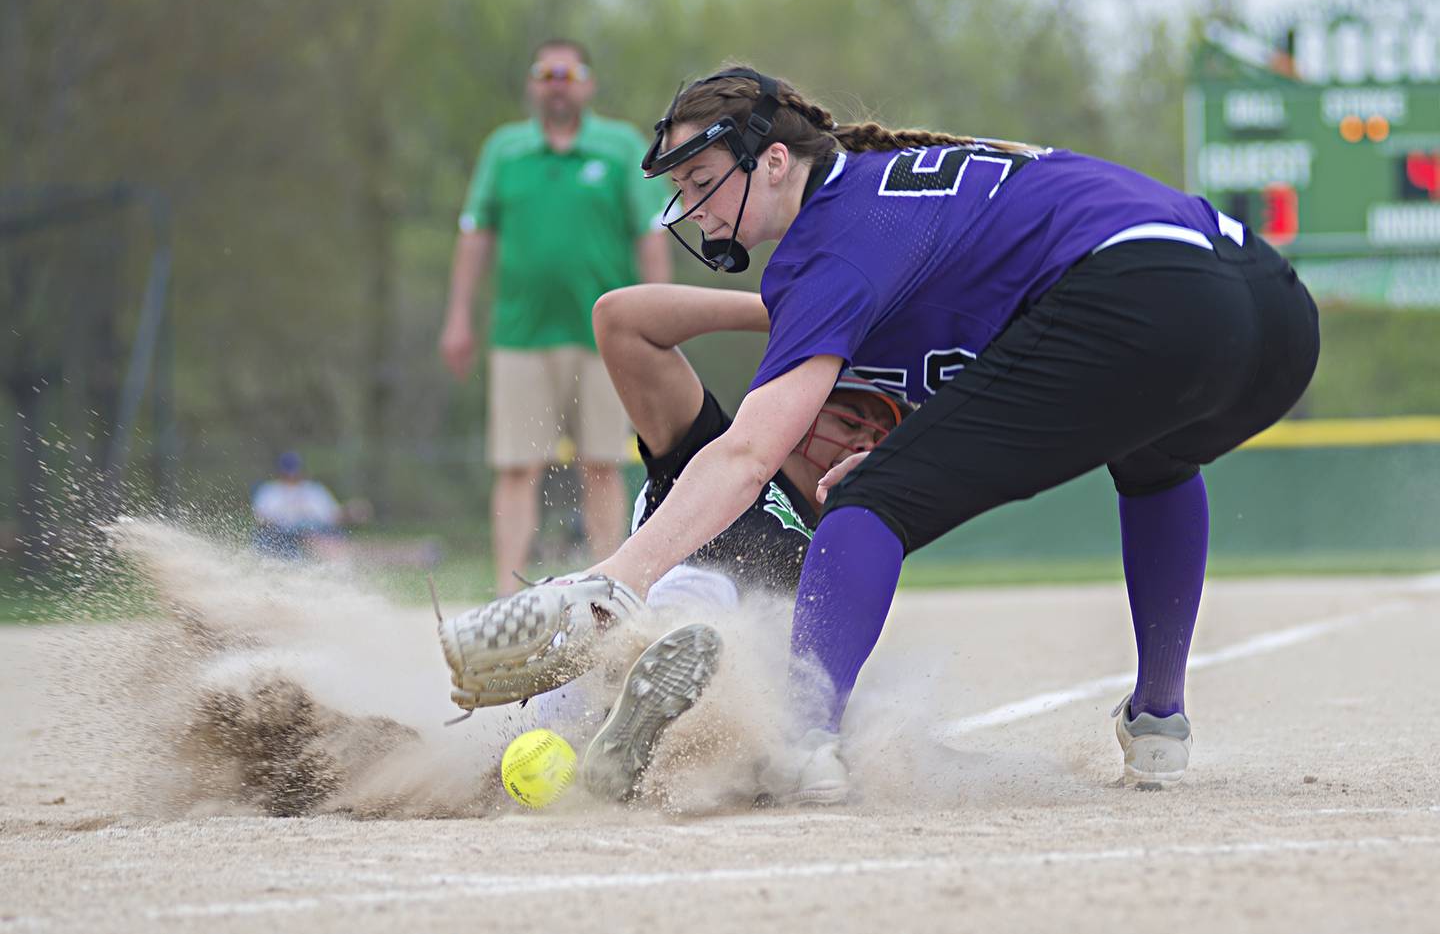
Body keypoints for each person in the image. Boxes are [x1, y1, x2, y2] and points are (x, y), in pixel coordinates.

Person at [441, 64, 1322, 806]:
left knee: (873, 497)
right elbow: (1018, 348)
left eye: (702, 182)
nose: (693, 211)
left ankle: (802, 739)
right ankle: (1158, 720)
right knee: (1157, 450)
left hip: (1139, 290)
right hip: (1272, 308)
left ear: (775, 161)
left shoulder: (832, 240)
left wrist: (613, 581)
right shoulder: (893, 199)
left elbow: (749, 453)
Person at [441, 281, 911, 801]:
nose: (865, 440)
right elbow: (622, 320)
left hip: (746, 709)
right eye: (850, 419)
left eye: (878, 436)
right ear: (801, 405)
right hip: (626, 647)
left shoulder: (854, 532)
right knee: (696, 594)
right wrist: (790, 313)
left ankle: (645, 746)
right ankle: (625, 713)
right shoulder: (713, 452)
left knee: (823, 689)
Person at [438, 38, 672, 595]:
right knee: (517, 467)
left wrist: (660, 314)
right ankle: (507, 594)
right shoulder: (505, 149)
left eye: (569, 71)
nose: (558, 80)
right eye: (547, 71)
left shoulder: (619, 147)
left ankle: (611, 590)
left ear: (587, 83)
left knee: (602, 464)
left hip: (604, 339)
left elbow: (650, 234)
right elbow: (475, 233)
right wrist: (458, 317)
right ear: (533, 84)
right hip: (520, 336)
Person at [251, 452, 345, 559]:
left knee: (325, 535)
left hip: (314, 534)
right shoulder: (269, 491)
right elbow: (261, 519)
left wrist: (350, 512)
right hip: (281, 535)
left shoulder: (314, 490)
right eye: (287, 473)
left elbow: (332, 516)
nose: (291, 476)